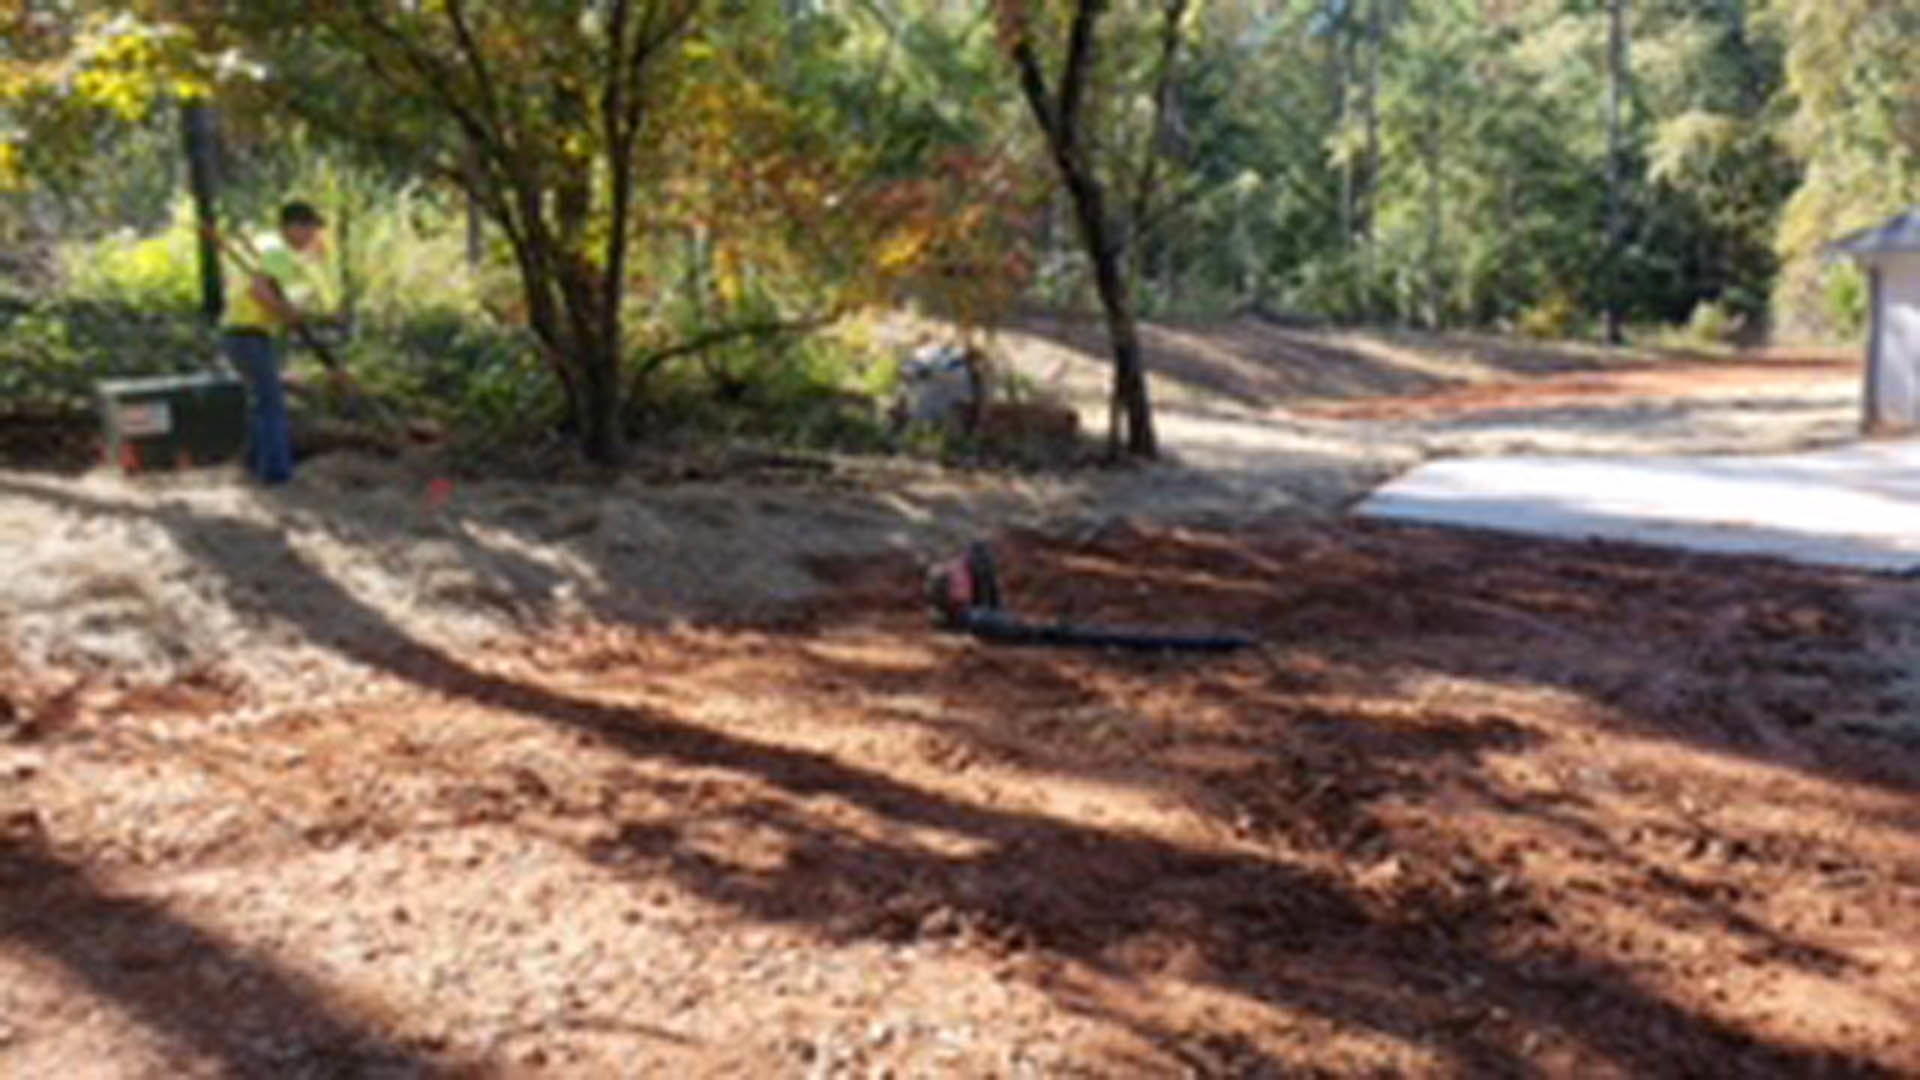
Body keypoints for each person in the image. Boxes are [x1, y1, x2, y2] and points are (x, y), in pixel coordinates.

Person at [219, 201, 333, 486]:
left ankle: (254, 464)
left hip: (241, 334)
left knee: (262, 403)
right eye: (309, 229)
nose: (312, 237)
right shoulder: (278, 252)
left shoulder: (270, 248)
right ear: (293, 227)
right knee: (271, 405)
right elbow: (260, 291)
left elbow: (272, 288)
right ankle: (276, 473)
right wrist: (286, 313)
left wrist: (288, 309)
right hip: (248, 334)